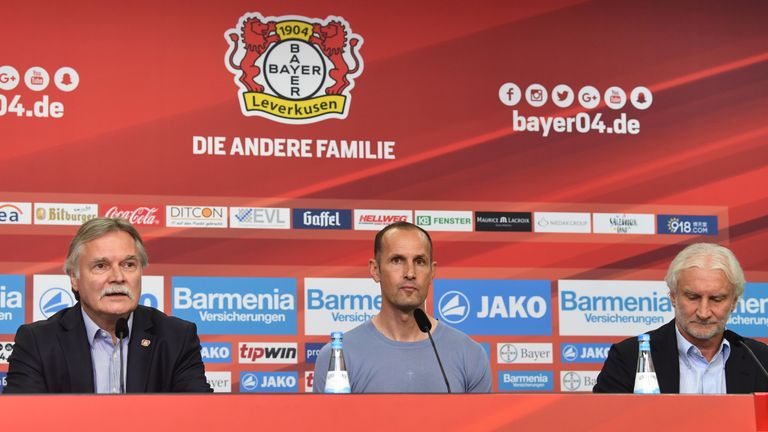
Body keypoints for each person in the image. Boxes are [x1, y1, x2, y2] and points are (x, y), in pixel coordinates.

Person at [4, 217, 212, 393]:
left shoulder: (176, 338)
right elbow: (21, 420)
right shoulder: (38, 342)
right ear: (74, 278)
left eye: (129, 265)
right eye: (101, 266)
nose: (118, 277)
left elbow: (201, 417)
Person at [313, 221, 491, 393]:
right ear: (375, 270)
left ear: (432, 272)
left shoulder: (470, 354)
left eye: (420, 261)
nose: (410, 273)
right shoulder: (337, 358)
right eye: (397, 260)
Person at [593, 243, 768, 393]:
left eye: (716, 299)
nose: (703, 312)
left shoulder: (761, 361)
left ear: (734, 302)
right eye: (693, 297)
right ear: (673, 296)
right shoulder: (629, 358)